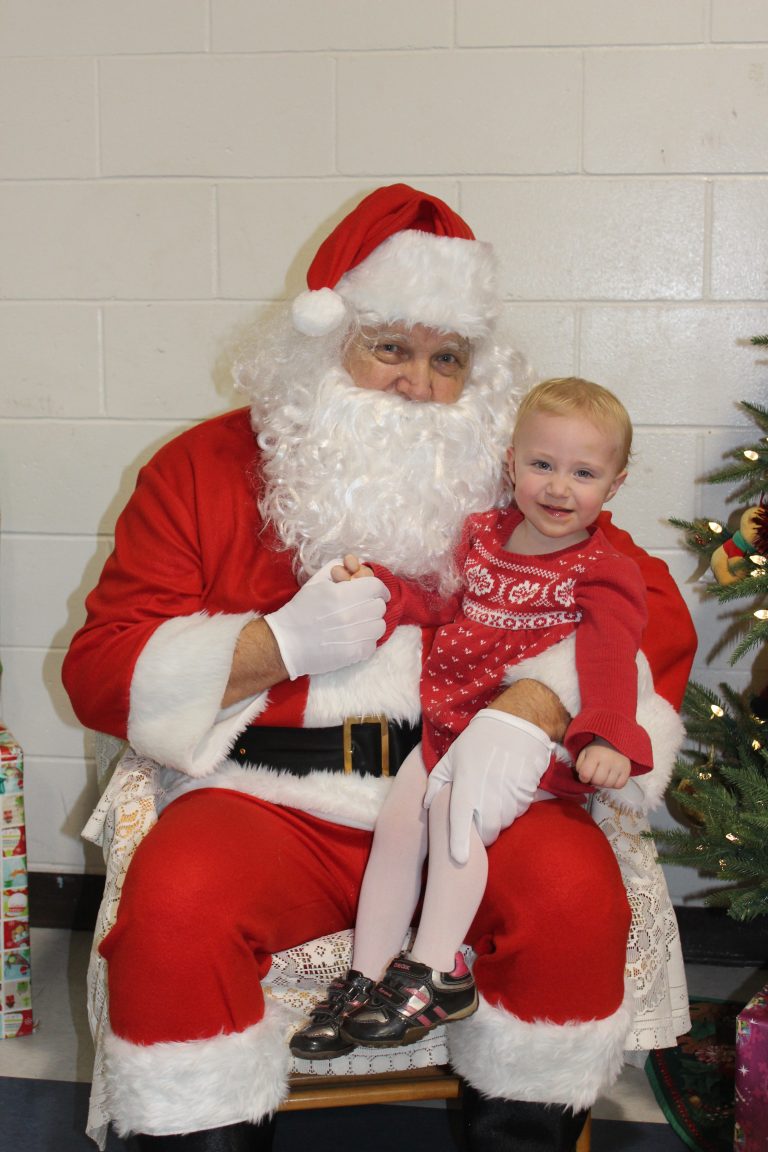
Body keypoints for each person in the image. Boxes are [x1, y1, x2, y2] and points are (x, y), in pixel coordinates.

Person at [62, 184, 697, 1152]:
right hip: (271, 798)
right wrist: (275, 645)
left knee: (572, 900)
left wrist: (538, 699)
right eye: (390, 348)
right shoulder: (202, 467)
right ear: (326, 344)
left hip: (475, 795)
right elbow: (102, 669)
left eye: (448, 359)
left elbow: (647, 608)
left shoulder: (518, 471)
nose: (418, 386)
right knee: (174, 914)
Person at [290, 377, 654, 1057]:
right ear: (511, 463)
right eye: (542, 464)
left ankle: (438, 972)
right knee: (399, 826)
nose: (558, 488)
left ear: (616, 483)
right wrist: (382, 590)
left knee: (453, 813)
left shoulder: (602, 570)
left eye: (583, 473)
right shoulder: (484, 536)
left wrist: (606, 736)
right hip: (448, 726)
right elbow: (437, 600)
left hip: (520, 745)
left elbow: (611, 658)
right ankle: (365, 978)